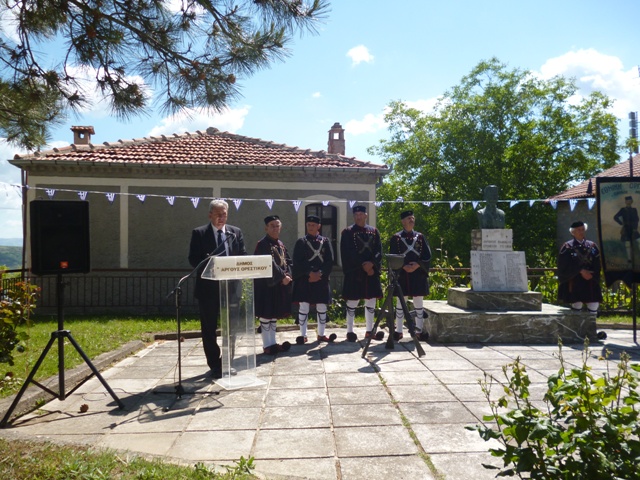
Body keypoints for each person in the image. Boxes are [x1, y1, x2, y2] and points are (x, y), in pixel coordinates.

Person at [188, 199, 247, 378]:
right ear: (210, 215)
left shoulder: (235, 232)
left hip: (231, 288)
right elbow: (193, 259)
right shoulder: (199, 233)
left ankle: (227, 362)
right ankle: (214, 364)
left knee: (231, 328)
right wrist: (210, 267)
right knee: (209, 328)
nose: (221, 218)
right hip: (208, 290)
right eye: (218, 214)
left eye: (224, 214)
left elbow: (242, 255)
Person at [340, 205, 383, 341]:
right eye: (356, 215)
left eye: (361, 214)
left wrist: (372, 264)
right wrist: (363, 265)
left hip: (371, 272)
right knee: (352, 302)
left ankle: (370, 331)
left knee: (371, 301)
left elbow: (378, 251)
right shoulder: (347, 232)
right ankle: (350, 331)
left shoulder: (374, 232)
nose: (358, 217)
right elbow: (348, 252)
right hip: (355, 272)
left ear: (366, 215)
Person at [292, 214, 336, 344]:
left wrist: (320, 273)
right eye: (309, 225)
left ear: (319, 226)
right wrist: (309, 273)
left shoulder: (325, 242)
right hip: (305, 279)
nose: (310, 227)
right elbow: (297, 261)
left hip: (321, 279)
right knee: (304, 307)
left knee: (322, 307)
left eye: (313, 225)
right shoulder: (301, 242)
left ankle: (321, 334)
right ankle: (303, 335)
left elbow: (329, 261)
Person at [389, 210, 431, 342]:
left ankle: (419, 331)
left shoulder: (420, 237)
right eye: (408, 218)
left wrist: (417, 265)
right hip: (402, 274)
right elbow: (393, 256)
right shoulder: (396, 238)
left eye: (413, 218)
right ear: (403, 222)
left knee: (418, 302)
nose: (411, 220)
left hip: (418, 274)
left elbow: (427, 256)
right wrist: (403, 266)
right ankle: (399, 331)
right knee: (401, 302)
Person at [254, 215, 293, 354]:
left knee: (274, 314)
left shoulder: (280, 244)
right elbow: (268, 263)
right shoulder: (263, 244)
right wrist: (282, 276)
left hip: (279, 284)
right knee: (266, 314)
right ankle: (267, 345)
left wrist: (289, 275)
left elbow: (288, 261)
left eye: (277, 226)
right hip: (266, 285)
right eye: (272, 226)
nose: (275, 228)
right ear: (266, 228)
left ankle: (273, 343)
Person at [557, 221, 603, 314]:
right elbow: (563, 264)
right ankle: (577, 323)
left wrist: (592, 274)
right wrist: (580, 270)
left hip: (590, 280)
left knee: (594, 304)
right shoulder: (567, 246)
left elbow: (597, 263)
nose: (581, 232)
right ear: (573, 232)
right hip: (575, 280)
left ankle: (591, 323)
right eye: (579, 230)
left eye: (583, 229)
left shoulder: (592, 245)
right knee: (577, 304)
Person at [613, 195, 640, 265]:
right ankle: (629, 259)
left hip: (633, 229)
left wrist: (635, 228)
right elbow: (615, 217)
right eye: (627, 201)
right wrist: (621, 223)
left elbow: (637, 219)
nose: (629, 202)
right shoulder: (623, 210)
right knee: (627, 244)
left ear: (632, 201)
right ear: (625, 202)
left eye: (630, 201)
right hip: (626, 229)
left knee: (639, 240)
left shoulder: (634, 210)